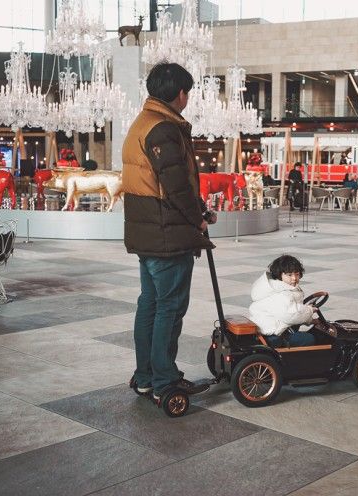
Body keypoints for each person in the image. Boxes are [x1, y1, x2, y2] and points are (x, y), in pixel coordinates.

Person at [121, 62, 217, 399]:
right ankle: (164, 380)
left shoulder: (141, 122)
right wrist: (197, 219)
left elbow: (165, 182)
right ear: (180, 93)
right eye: (187, 92)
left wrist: (198, 207)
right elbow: (175, 186)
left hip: (148, 235)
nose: (187, 98)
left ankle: (146, 375)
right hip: (166, 236)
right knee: (169, 308)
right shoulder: (163, 128)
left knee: (150, 304)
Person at [249, 255, 317, 347]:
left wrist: (310, 320)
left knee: (302, 329)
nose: (294, 278)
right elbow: (290, 315)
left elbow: (294, 310)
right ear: (279, 275)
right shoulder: (282, 293)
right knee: (310, 338)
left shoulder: (276, 287)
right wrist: (309, 310)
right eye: (289, 275)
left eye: (297, 274)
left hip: (269, 330)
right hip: (273, 337)